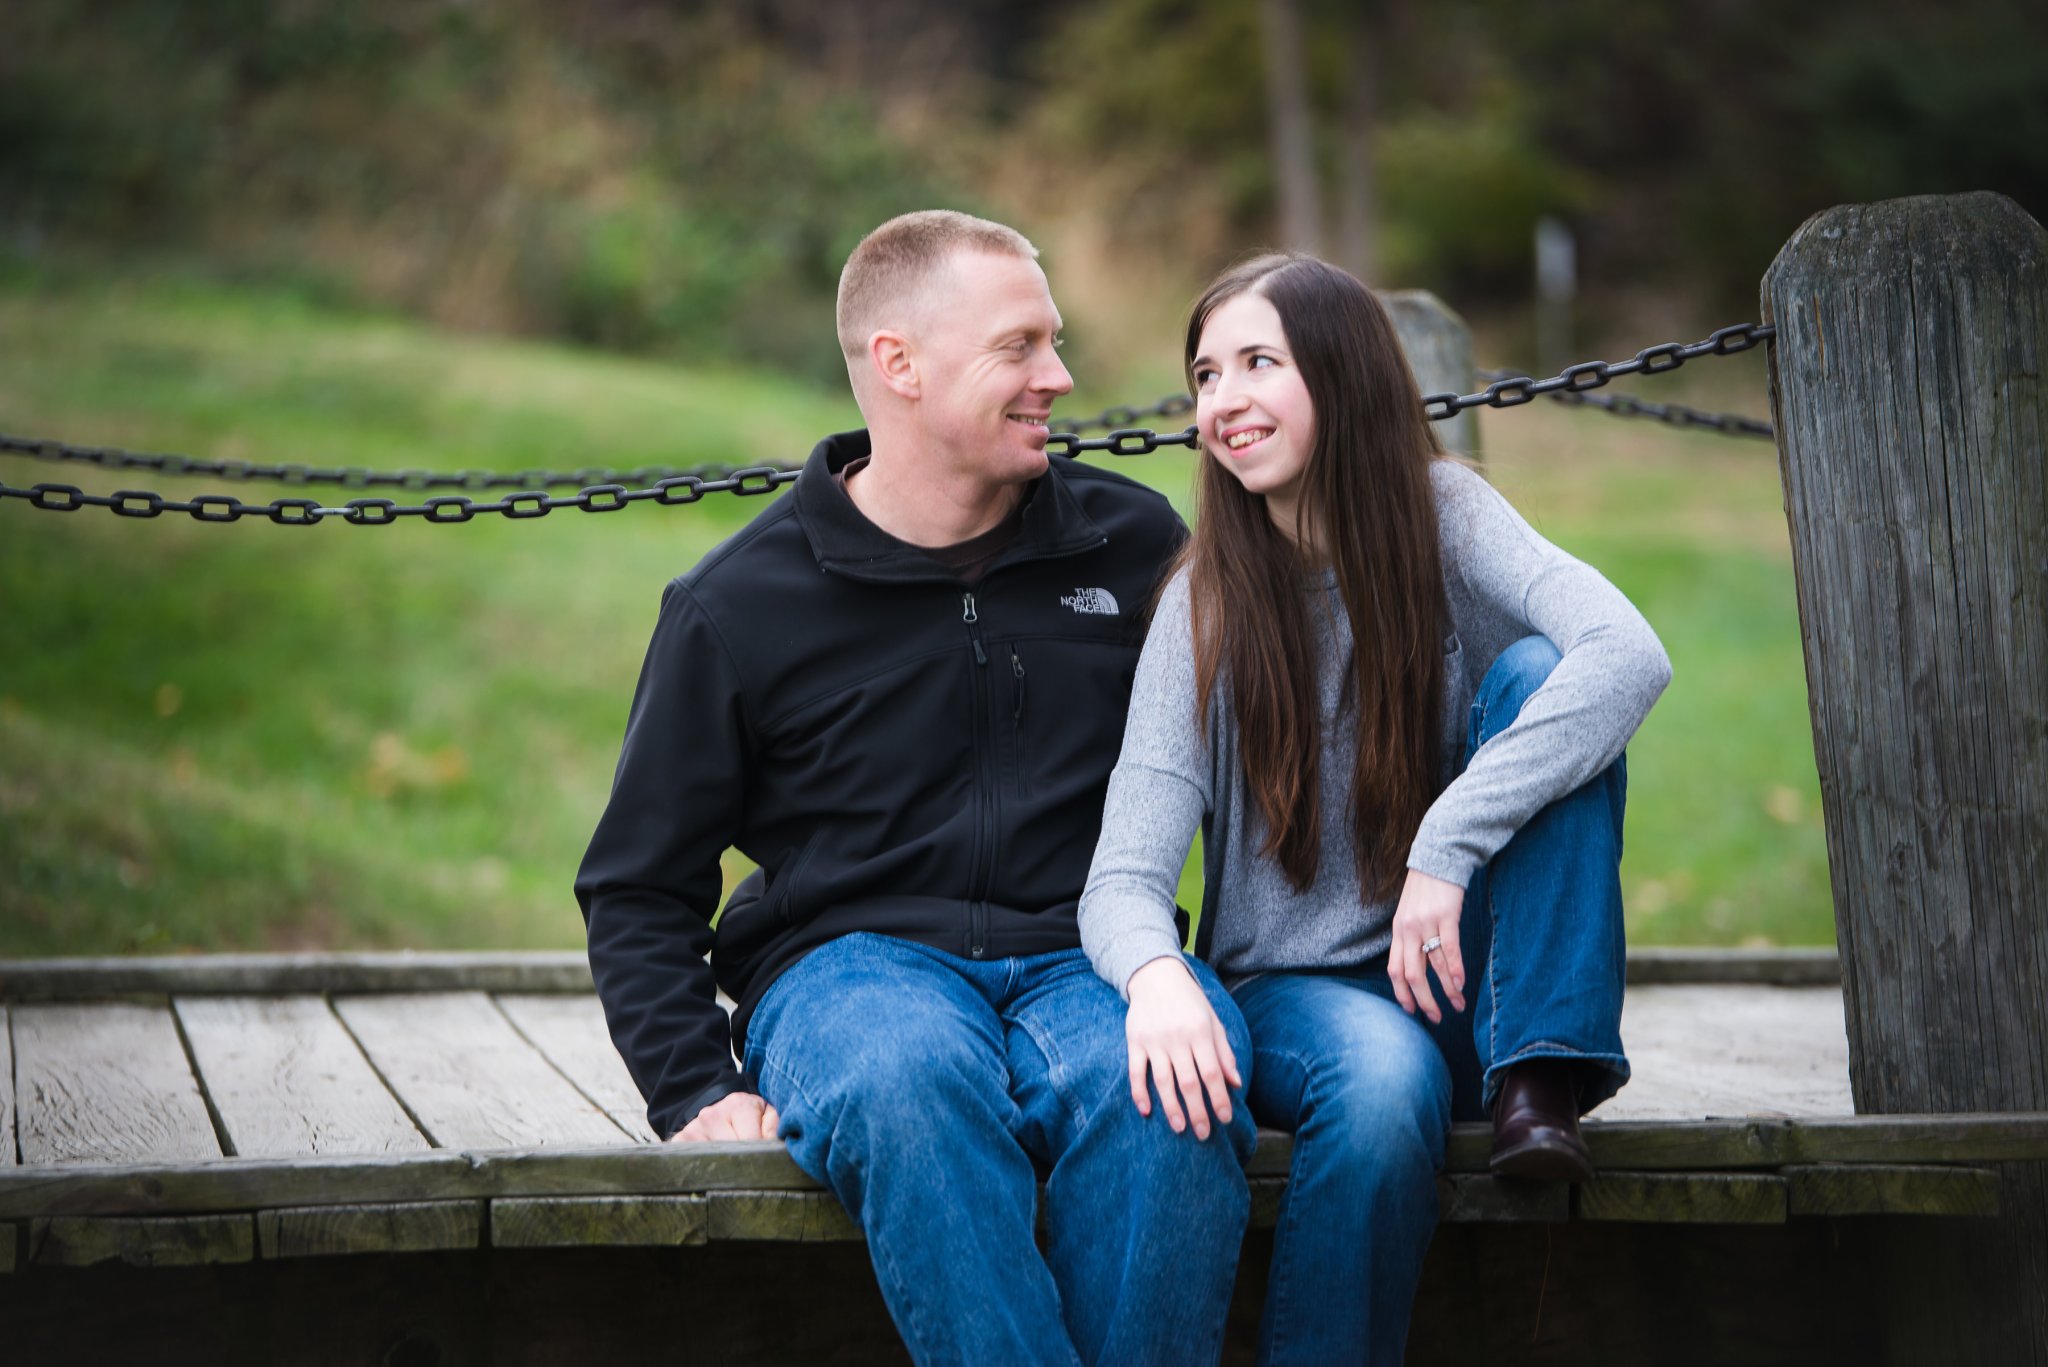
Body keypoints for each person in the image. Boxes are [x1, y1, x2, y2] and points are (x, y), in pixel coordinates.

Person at [574, 210, 1257, 1367]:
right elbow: (638, 882)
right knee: (908, 1080)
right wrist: (691, 1082)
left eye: (1053, 340)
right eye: (1018, 346)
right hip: (847, 967)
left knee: (1174, 1093)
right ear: (898, 363)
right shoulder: (739, 602)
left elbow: (1267, 745)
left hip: (1091, 951)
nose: (1059, 375)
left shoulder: (1134, 546)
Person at [1078, 253, 1671, 1366]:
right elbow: (1122, 877)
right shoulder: (1203, 602)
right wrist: (1156, 976)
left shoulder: (1447, 517)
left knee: (1545, 674)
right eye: (1205, 374)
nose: (1223, 399)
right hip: (1297, 995)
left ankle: (1539, 1068)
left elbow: (1627, 653)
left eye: (1259, 362)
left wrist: (1446, 842)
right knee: (1384, 1079)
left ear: (1341, 372)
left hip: (1463, 978)